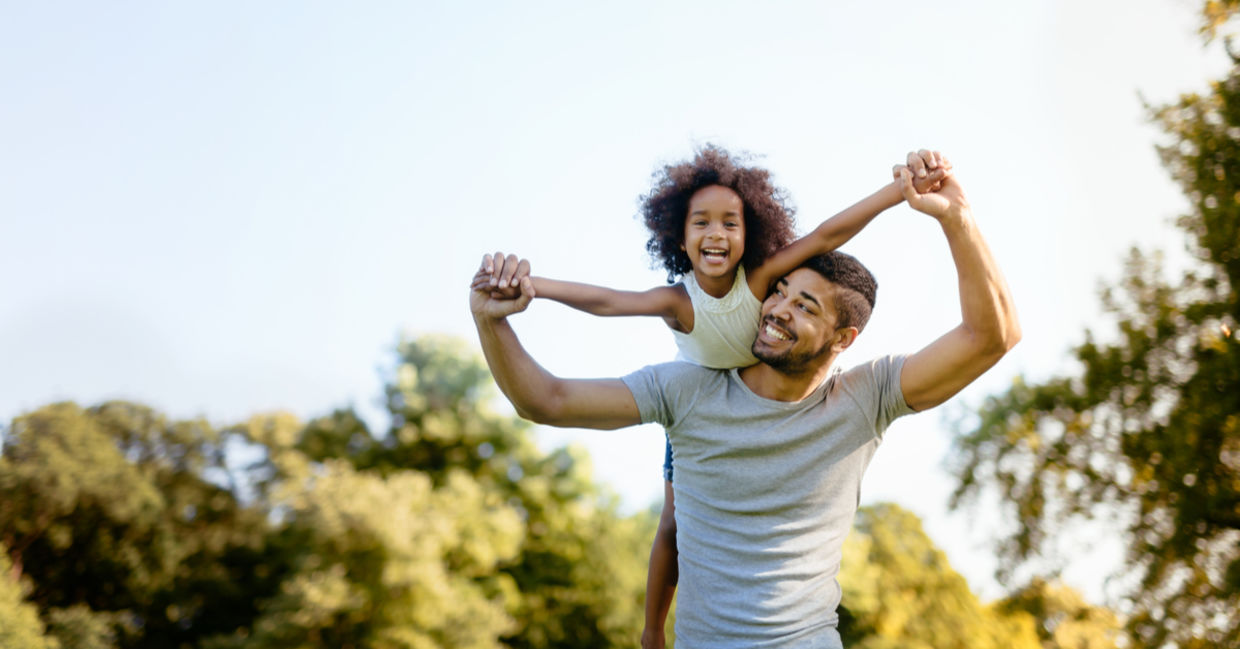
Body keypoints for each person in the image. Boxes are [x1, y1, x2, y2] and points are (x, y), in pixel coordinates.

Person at [470, 157, 1020, 648]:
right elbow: (547, 400)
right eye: (779, 292)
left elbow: (991, 336)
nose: (778, 308)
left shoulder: (866, 398)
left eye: (804, 306)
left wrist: (958, 217)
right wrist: (490, 321)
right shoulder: (687, 390)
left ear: (842, 338)